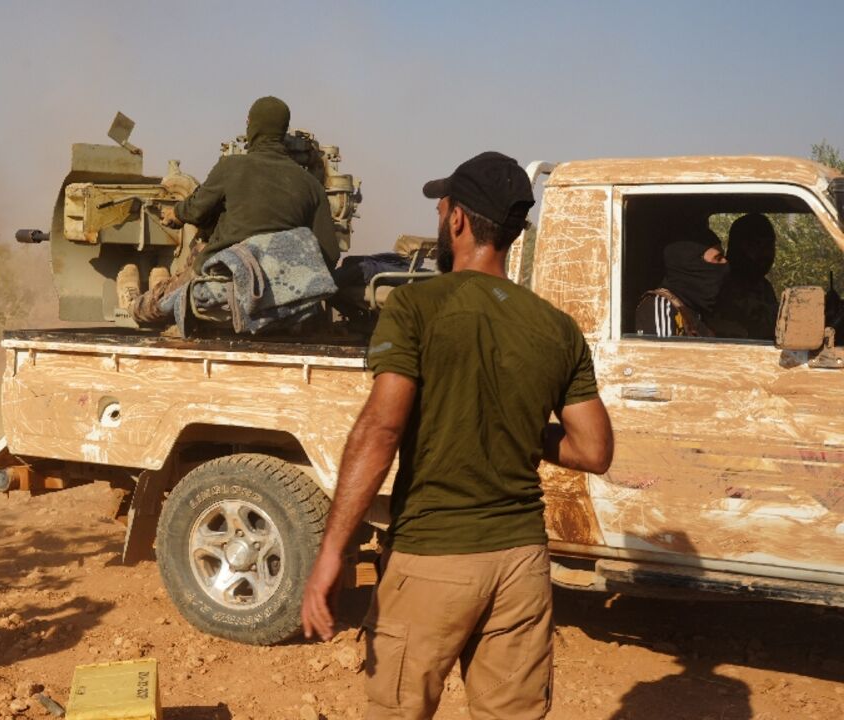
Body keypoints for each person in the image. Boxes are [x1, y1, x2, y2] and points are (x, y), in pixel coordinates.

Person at [300, 152, 615, 719]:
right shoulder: (556, 328)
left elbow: (381, 430)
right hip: (521, 564)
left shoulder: (417, 305)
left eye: (441, 205)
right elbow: (593, 450)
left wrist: (331, 552)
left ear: (459, 221)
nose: (439, 216)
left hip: (433, 558)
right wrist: (517, 427)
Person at [129, 96, 340, 325]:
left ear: (251, 125)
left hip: (222, 282)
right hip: (282, 302)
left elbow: (196, 210)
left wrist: (176, 214)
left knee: (149, 305)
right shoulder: (311, 185)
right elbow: (329, 252)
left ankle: (134, 303)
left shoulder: (231, 167)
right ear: (283, 131)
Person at [634, 229, 729, 338]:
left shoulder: (697, 305)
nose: (725, 263)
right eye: (718, 258)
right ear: (692, 265)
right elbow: (662, 353)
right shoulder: (660, 306)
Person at [710, 213, 778, 340]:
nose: (765, 253)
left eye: (769, 245)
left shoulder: (763, 286)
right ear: (738, 247)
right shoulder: (721, 285)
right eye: (756, 245)